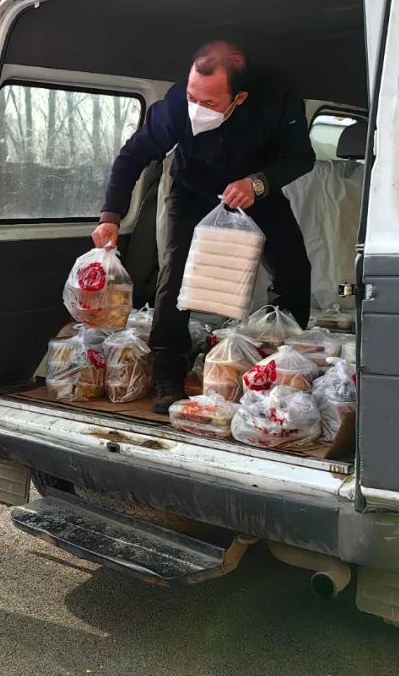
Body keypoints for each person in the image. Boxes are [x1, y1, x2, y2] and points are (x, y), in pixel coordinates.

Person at [92, 41, 314, 413]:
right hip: (192, 190)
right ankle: (168, 372)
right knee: (176, 275)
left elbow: (300, 158)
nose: (196, 108)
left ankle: (287, 363)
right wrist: (110, 217)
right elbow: (133, 156)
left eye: (209, 102)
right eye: (192, 97)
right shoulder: (176, 107)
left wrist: (258, 183)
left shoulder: (277, 97)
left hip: (254, 189)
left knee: (293, 266)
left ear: (239, 98)